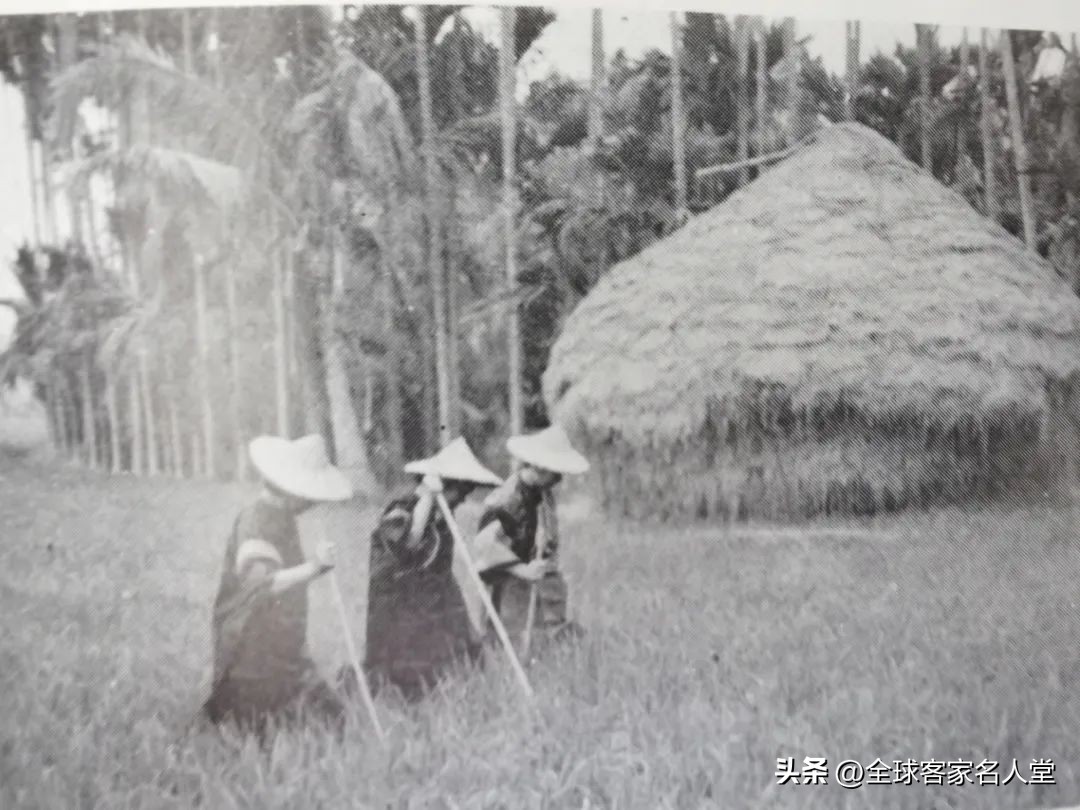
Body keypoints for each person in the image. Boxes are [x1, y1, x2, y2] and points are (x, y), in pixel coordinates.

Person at [203, 434, 352, 740]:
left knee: (333, 718)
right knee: (263, 731)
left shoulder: (282, 516)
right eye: (310, 496)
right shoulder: (256, 521)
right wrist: (314, 568)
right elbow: (261, 584)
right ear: (292, 490)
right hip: (250, 649)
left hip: (284, 649)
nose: (313, 503)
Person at [357, 438, 503, 702]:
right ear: (444, 484)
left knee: (463, 646)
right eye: (460, 491)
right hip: (398, 599)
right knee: (408, 665)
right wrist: (427, 497)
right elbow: (409, 543)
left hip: (434, 591)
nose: (462, 499)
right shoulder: (401, 508)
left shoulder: (443, 512)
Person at [474, 424, 590, 652]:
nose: (559, 478)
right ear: (539, 467)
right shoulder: (509, 499)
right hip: (506, 585)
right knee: (514, 647)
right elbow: (484, 544)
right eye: (556, 472)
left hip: (532, 583)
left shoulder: (541, 493)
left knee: (548, 643)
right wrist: (522, 570)